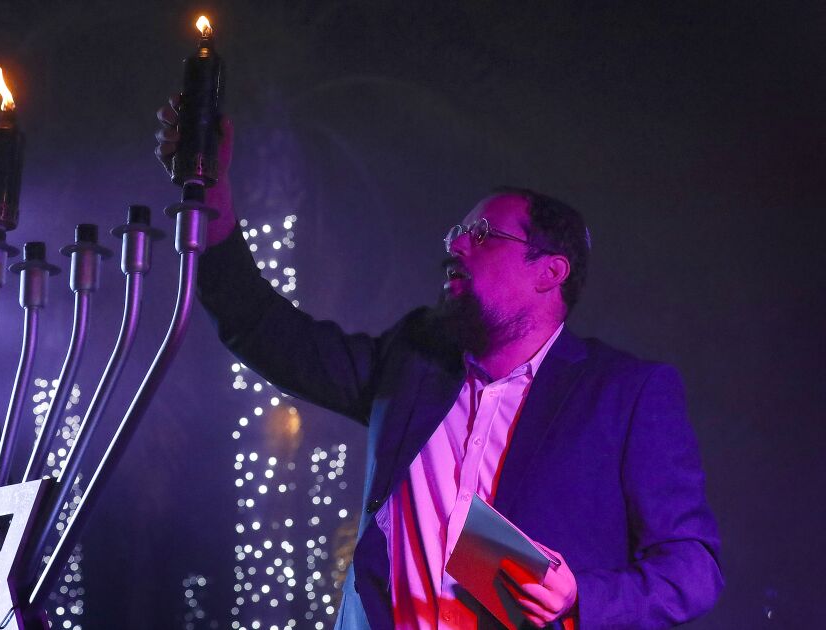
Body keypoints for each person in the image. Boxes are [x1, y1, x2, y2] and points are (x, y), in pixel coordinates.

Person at [154, 99, 723, 629]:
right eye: (456, 232)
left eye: (480, 234)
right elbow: (269, 332)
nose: (455, 245)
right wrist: (212, 202)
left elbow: (692, 572)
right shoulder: (414, 364)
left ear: (549, 272)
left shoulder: (624, 393)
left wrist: (580, 598)